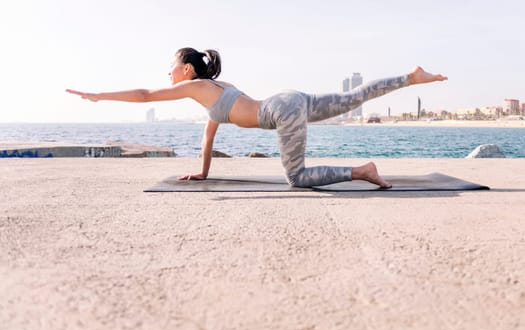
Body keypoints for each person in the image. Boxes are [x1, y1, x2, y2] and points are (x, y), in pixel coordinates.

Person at [67, 47, 447, 188]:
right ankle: (410, 78)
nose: (168, 74)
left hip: (279, 110)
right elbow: (209, 136)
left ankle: (361, 171)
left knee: (297, 179)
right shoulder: (214, 90)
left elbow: (146, 95)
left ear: (185, 70)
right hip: (286, 99)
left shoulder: (196, 86)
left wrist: (99, 96)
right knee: (351, 99)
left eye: (171, 67)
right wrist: (203, 172)